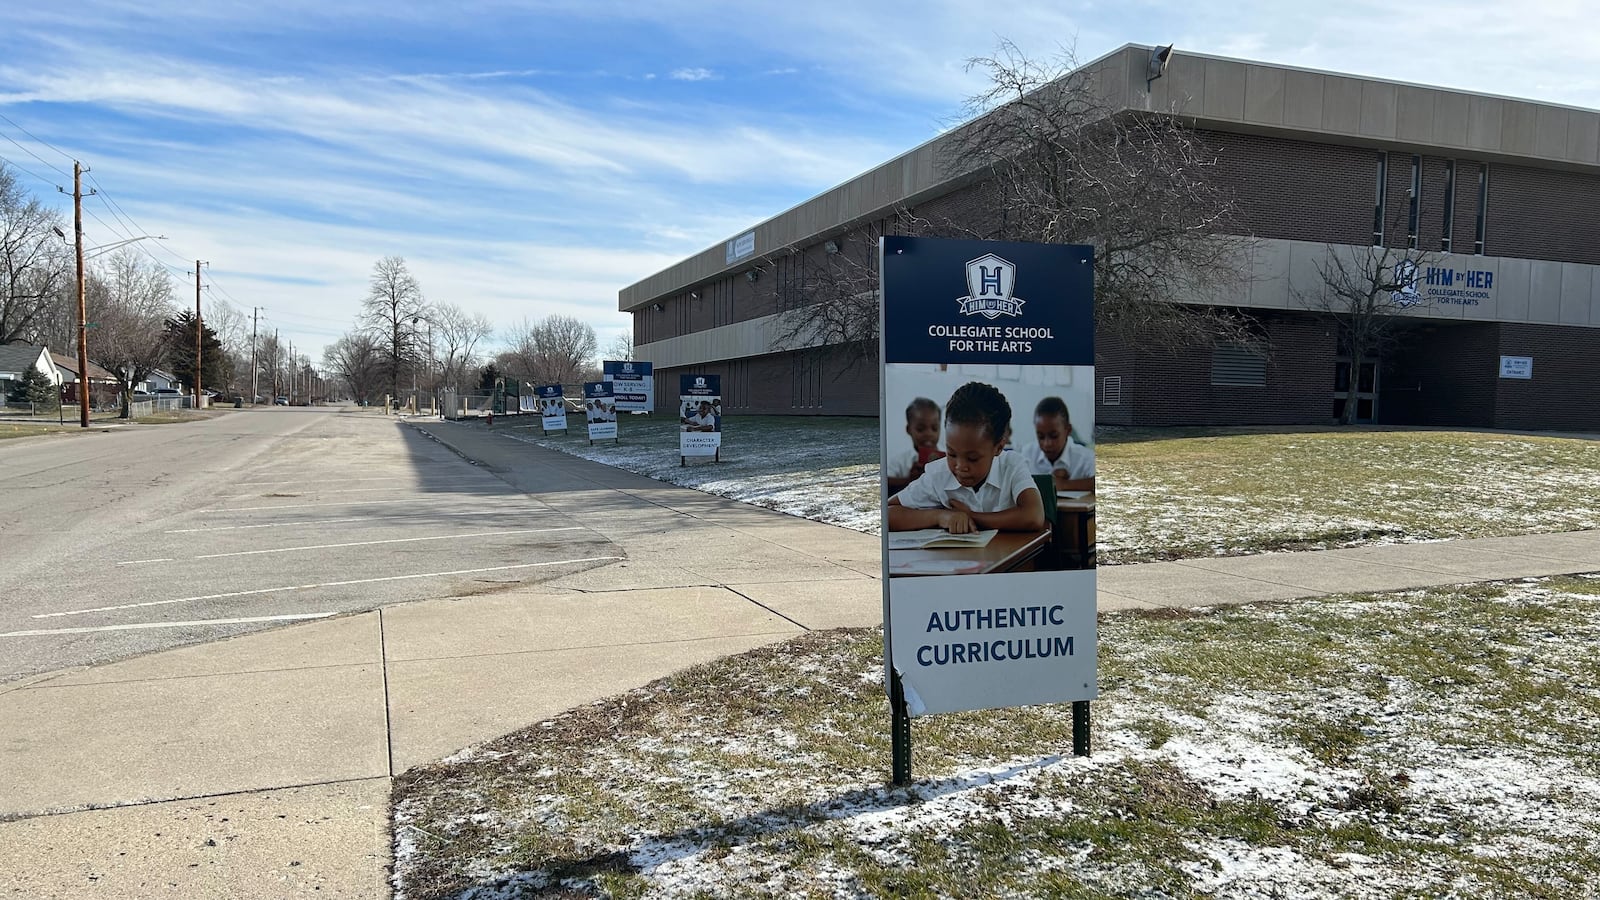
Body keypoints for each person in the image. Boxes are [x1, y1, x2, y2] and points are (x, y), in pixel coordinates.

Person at [888, 382, 1045, 534]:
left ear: (998, 447)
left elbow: (1034, 516)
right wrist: (941, 516)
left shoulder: (1012, 465)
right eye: (952, 454)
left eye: (972, 458)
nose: (960, 466)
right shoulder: (938, 475)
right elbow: (887, 513)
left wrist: (972, 516)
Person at [1024, 397, 1095, 493]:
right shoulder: (1028, 454)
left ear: (1068, 430)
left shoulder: (1085, 458)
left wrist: (1064, 484)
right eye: (1040, 437)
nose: (1047, 443)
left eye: (1054, 436)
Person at [886, 397, 944, 496]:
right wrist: (909, 480)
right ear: (909, 429)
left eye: (934, 428)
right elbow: (884, 483)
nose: (928, 434)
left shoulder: (948, 458)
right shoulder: (900, 461)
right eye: (921, 429)